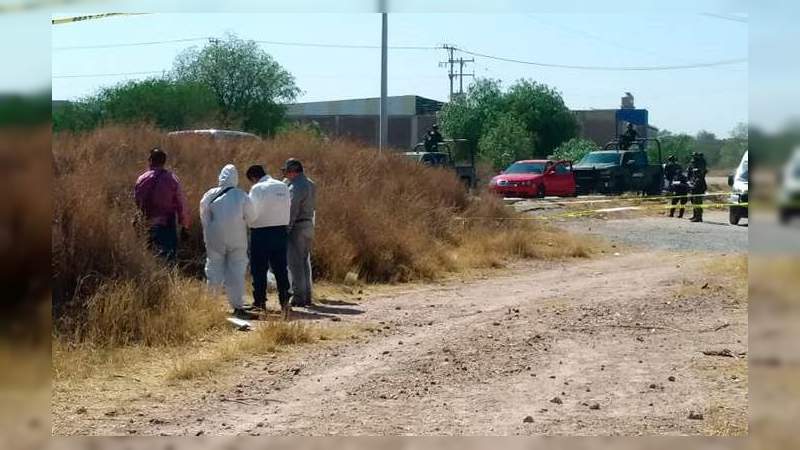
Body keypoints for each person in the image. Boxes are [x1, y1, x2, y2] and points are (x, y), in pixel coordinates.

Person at [199, 164, 256, 320]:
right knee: (236, 272)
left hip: (214, 237)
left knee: (213, 270)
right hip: (237, 238)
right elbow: (252, 217)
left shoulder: (210, 194)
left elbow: (204, 216)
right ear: (236, 178)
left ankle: (211, 306)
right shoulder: (241, 195)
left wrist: (210, 232)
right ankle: (237, 307)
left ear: (220, 177)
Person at [246, 164, 292, 319]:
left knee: (259, 269)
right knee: (281, 268)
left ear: (253, 177)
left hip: (261, 232)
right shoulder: (283, 186)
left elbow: (251, 211)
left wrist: (248, 222)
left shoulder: (257, 188)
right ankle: (284, 301)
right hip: (280, 231)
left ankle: (259, 302)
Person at [134, 148, 190, 264]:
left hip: (146, 223)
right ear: (164, 162)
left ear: (150, 160)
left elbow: (137, 201)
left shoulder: (141, 179)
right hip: (166, 226)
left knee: (149, 258)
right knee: (168, 260)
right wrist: (184, 225)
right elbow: (181, 203)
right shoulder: (172, 179)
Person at [282, 158, 316, 308]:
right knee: (303, 262)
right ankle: (307, 296)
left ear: (293, 171)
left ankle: (299, 297)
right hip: (308, 224)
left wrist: (286, 228)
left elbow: (292, 209)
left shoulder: (296, 186)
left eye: (287, 171)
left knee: (295, 264)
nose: (286, 174)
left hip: (297, 226)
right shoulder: (310, 183)